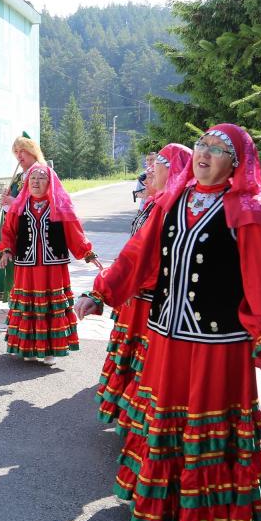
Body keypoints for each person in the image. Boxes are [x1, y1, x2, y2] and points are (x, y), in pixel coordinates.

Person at [74, 123, 261, 521]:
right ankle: (162, 506)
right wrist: (100, 292)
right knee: (164, 420)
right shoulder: (173, 201)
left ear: (236, 164)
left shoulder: (249, 212)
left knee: (201, 425)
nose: (204, 154)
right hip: (166, 337)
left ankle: (206, 517)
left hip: (218, 345)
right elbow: (136, 255)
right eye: (201, 145)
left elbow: (257, 282)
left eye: (217, 149)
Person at [95, 143, 191, 430]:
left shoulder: (174, 207)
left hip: (154, 300)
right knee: (136, 360)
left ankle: (138, 423)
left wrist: (105, 289)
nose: (149, 172)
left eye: (157, 165)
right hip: (137, 294)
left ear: (173, 170)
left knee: (146, 365)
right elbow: (134, 251)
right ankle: (127, 417)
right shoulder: (157, 203)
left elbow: (144, 257)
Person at [0, 164, 101, 364]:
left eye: (41, 178)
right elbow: (8, 231)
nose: (36, 182)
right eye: (33, 178)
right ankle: (27, 347)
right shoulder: (19, 205)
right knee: (28, 307)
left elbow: (74, 232)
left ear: (50, 182)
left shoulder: (60, 205)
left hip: (52, 267)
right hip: (26, 266)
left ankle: (50, 350)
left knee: (49, 308)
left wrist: (87, 252)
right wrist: (6, 251)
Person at [0, 134, 45, 302]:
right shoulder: (19, 176)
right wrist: (7, 200)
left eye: (22, 151)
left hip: (31, 229)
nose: (19, 155)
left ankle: (26, 300)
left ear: (33, 152)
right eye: (16, 152)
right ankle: (15, 300)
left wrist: (13, 201)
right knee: (11, 260)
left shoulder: (40, 173)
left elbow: (40, 202)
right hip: (14, 225)